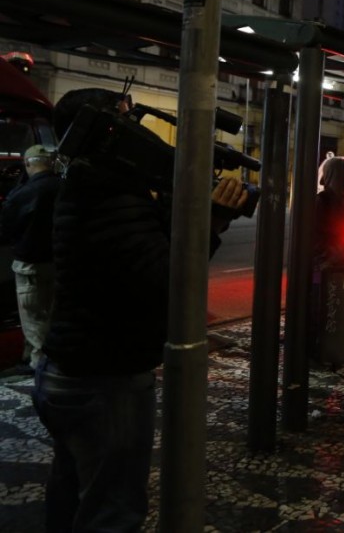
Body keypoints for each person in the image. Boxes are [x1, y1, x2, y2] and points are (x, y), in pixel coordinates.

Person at [33, 87, 246, 531]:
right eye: (127, 122)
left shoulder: (89, 182)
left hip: (72, 369)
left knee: (72, 491)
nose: (138, 133)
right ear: (103, 131)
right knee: (112, 510)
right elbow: (167, 278)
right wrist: (212, 221)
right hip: (104, 379)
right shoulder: (105, 192)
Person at [0, 144, 61, 368]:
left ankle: (41, 371)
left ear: (27, 164)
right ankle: (31, 359)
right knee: (50, 318)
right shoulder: (64, 188)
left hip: (29, 268)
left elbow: (6, 230)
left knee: (34, 323)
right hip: (57, 265)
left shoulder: (20, 194)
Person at [314, 156, 344, 267]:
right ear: (338, 174)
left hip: (341, 261)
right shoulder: (323, 200)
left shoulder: (341, 199)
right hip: (327, 264)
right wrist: (331, 254)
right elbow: (316, 235)